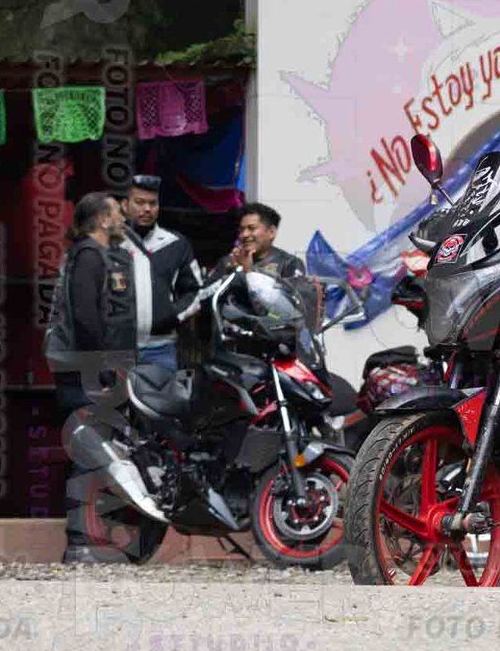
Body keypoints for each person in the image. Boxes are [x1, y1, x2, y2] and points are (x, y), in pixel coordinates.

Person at [43, 192, 137, 564]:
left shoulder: (89, 255)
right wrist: (101, 367)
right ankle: (81, 542)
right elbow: (86, 317)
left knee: (94, 449)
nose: (123, 217)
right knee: (88, 449)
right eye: (116, 212)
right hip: (82, 370)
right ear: (102, 220)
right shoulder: (89, 257)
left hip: (81, 366)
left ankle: (92, 539)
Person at [118, 174, 203, 371]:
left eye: (153, 203)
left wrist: (172, 315)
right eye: (140, 202)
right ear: (125, 205)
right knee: (113, 393)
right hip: (116, 347)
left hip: (160, 349)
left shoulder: (175, 244)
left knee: (161, 393)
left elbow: (195, 291)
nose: (147, 209)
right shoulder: (111, 243)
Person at [208, 202, 307, 282]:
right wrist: (228, 275)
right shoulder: (227, 262)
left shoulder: (289, 263)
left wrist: (249, 272)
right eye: (241, 230)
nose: (244, 234)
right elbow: (204, 294)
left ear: (271, 232)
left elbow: (291, 298)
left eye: (251, 228)